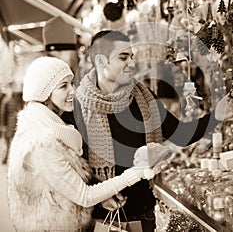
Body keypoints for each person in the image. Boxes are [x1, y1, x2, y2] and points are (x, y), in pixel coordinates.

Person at [74, 30, 232, 231]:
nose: (131, 63)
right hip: (101, 220)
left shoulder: (142, 96)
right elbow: (74, 169)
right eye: (123, 57)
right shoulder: (78, 106)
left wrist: (217, 115)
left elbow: (180, 134)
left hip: (144, 214)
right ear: (101, 60)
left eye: (132, 56)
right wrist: (100, 197)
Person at [7, 56, 155, 232]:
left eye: (71, 83)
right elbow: (84, 196)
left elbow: (69, 187)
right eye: (63, 86)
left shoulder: (52, 127)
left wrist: (103, 196)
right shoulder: (41, 143)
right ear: (44, 93)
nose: (72, 91)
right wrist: (138, 171)